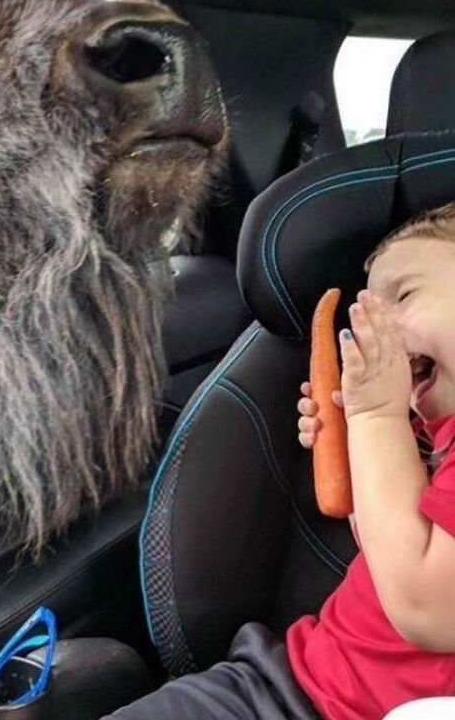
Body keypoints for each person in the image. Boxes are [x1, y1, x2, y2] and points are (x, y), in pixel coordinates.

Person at [102, 201, 455, 720]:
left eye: (402, 295)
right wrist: (360, 451)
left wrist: (376, 420)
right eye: (364, 310)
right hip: (304, 680)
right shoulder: (430, 435)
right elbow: (391, 553)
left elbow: (428, 609)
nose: (370, 326)